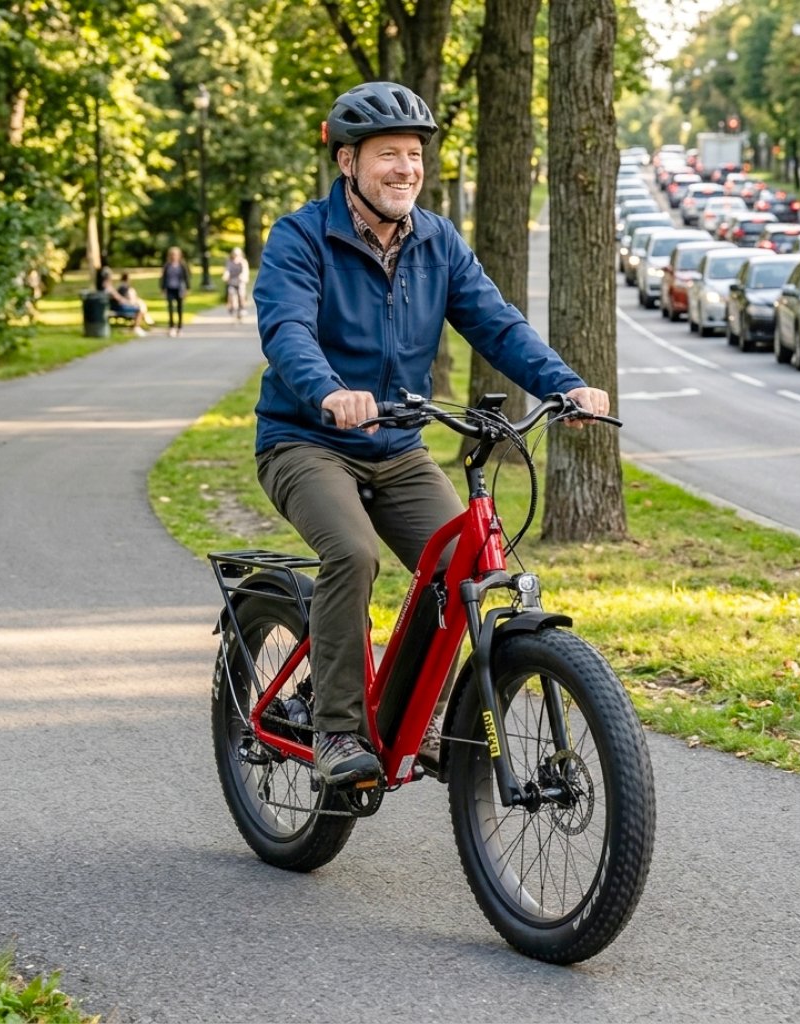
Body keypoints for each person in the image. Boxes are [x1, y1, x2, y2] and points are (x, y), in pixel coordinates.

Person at [253, 81, 610, 787]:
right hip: (307, 441)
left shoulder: (437, 242)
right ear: (347, 162)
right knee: (353, 555)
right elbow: (286, 329)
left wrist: (563, 384)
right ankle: (336, 731)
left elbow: (495, 323)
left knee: (471, 571)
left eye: (414, 155)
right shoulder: (299, 237)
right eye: (388, 155)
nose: (405, 170)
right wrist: (328, 392)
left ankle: (424, 717)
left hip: (399, 448)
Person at [98, 267, 147, 336]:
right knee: (139, 309)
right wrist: (129, 303)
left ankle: (134, 328)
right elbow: (119, 298)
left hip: (113, 306)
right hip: (117, 307)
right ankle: (136, 328)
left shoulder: (103, 287)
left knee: (137, 306)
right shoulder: (109, 287)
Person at [160, 247, 190, 336]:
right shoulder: (167, 265)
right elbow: (163, 278)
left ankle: (179, 327)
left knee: (179, 309)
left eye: (176, 255)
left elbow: (186, 278)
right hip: (170, 288)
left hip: (179, 289)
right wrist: (162, 289)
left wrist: (187, 289)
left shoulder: (182, 265)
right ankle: (171, 327)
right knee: (170, 309)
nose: (174, 256)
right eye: (172, 255)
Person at [223, 247, 250, 320]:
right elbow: (227, 270)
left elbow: (245, 270)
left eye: (238, 254)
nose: (236, 256)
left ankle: (242, 308)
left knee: (241, 294)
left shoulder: (243, 261)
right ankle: (232, 308)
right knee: (231, 294)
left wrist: (244, 276)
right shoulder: (230, 261)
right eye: (235, 254)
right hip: (232, 281)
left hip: (240, 281)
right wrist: (226, 275)